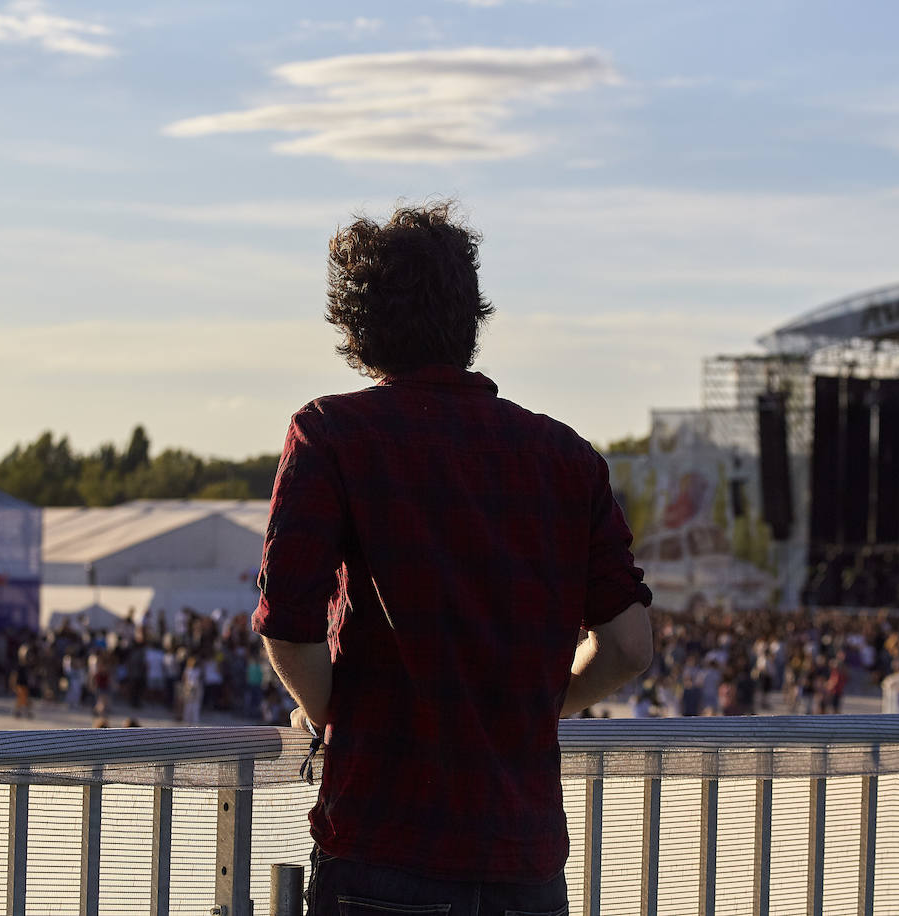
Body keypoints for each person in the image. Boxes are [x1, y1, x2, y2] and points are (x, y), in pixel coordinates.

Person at [253, 202, 653, 916]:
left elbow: (287, 626)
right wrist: (533, 708)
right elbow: (628, 643)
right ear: (470, 317)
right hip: (524, 861)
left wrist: (332, 714)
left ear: (354, 326)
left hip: (386, 841)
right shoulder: (566, 458)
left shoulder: (330, 434)